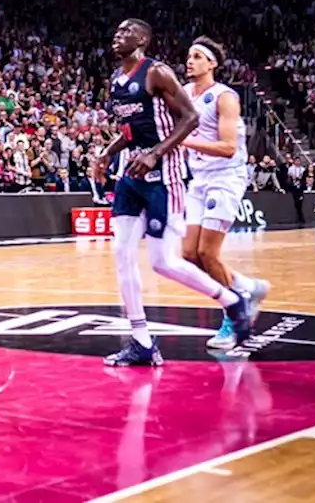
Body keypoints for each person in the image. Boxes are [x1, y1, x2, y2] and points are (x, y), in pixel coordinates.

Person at [93, 19, 253, 366]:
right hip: (130, 177)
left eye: (126, 31)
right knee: (121, 254)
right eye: (116, 31)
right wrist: (108, 153)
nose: (117, 35)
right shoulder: (116, 81)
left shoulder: (157, 73)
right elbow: (130, 131)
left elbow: (191, 118)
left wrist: (156, 154)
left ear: (143, 39)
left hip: (164, 177)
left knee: (163, 262)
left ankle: (231, 300)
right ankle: (141, 341)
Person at [178, 36, 270, 351]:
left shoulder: (225, 97)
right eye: (188, 56)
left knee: (208, 253)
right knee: (189, 255)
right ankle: (246, 287)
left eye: (197, 56)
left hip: (226, 177)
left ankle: (234, 313)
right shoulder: (184, 94)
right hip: (199, 178)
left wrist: (184, 142)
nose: (189, 61)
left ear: (212, 64)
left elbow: (229, 148)